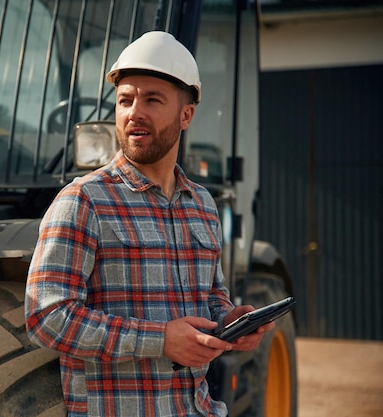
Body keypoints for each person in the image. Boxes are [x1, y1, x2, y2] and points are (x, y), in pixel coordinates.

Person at [25, 31, 274, 416]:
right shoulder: (84, 201)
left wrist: (227, 319)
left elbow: (210, 295)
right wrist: (159, 340)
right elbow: (46, 316)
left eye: (152, 100)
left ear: (186, 114)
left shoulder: (202, 205)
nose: (133, 113)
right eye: (125, 100)